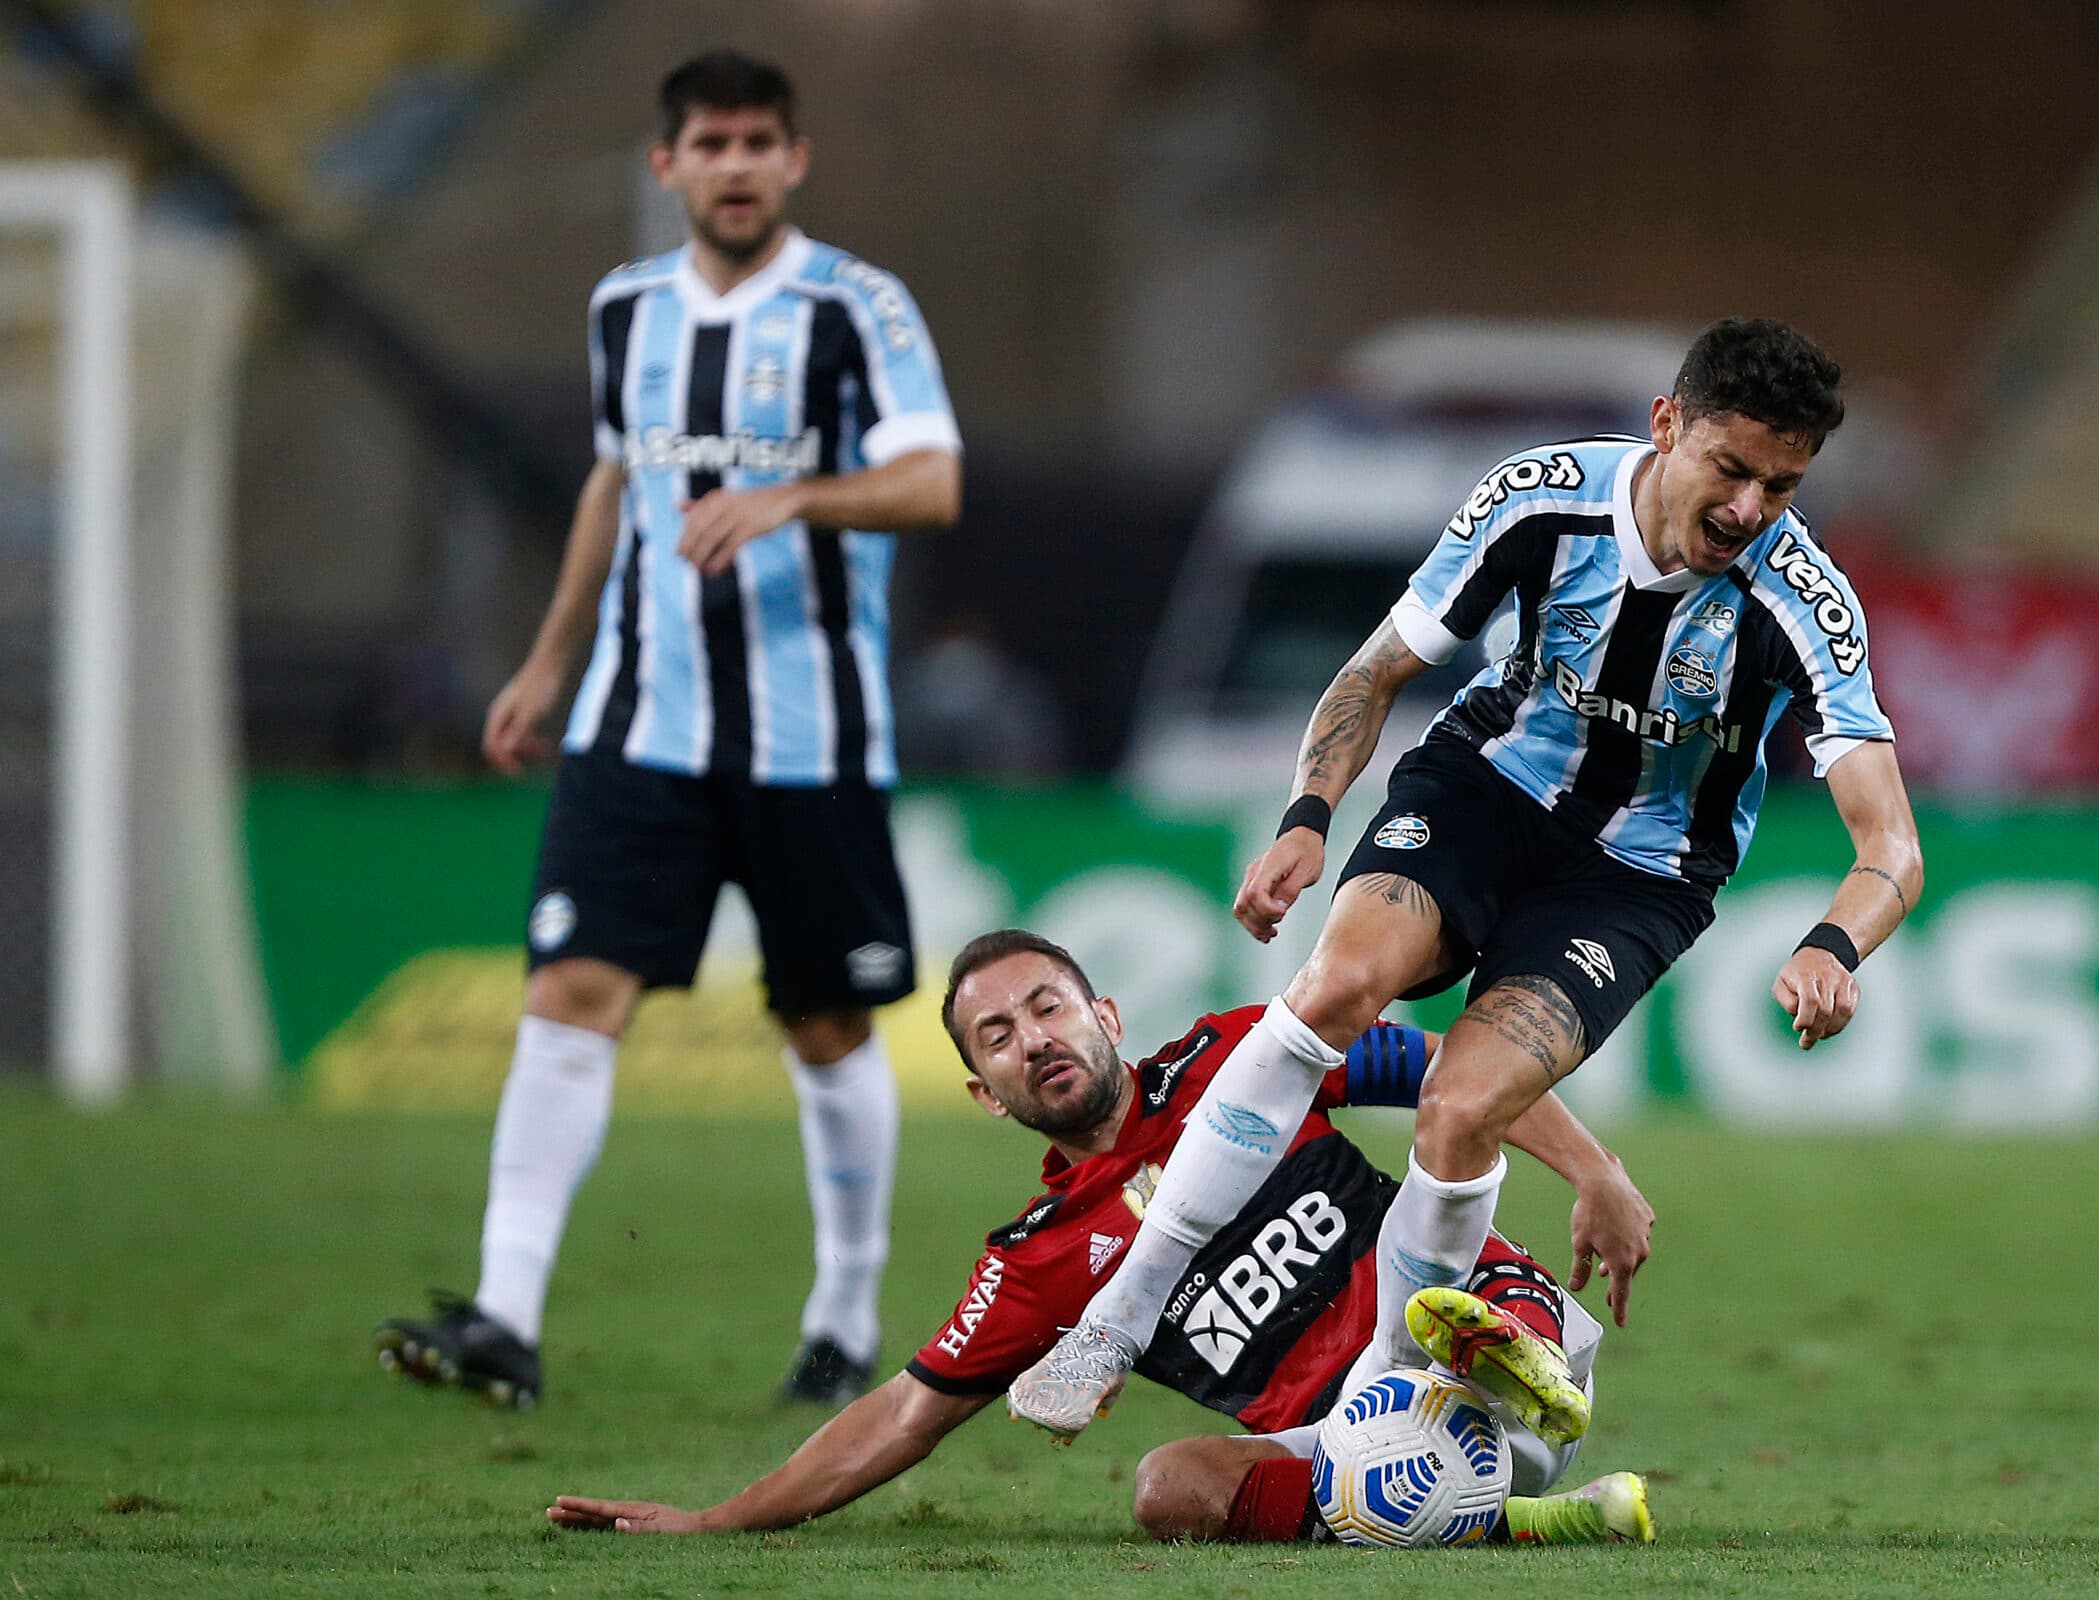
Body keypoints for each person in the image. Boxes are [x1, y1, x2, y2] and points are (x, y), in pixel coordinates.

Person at [1011, 318, 1924, 1441]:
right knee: (1338, 989)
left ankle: (1380, 1407)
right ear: (1667, 425)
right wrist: (1310, 815)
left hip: (1634, 880)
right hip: (1484, 793)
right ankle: (1121, 1312)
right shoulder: (1540, 499)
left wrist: (1834, 946)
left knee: (1458, 1110)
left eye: (1780, 487)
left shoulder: (1803, 603)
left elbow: (1892, 846)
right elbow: (1379, 666)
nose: (1748, 511)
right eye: (1731, 470)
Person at [374, 48, 963, 1409]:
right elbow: (614, 479)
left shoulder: (857, 306)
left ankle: (845, 1317)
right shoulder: (624, 308)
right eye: (713, 143)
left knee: (824, 1023)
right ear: (669, 166)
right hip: (637, 726)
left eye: (762, 140)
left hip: (810, 738)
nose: (738, 164)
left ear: (794, 159)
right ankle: (506, 1321)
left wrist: (792, 498)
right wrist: (547, 657)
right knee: (570, 997)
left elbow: (933, 481)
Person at [544, 930, 1657, 1546]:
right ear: (984, 1091)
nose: (1032, 1039)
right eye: (998, 1035)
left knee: (1438, 1256)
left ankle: (1512, 1350)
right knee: (1166, 1489)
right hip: (1367, 1452)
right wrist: (709, 1519)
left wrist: (1596, 1170)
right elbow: (902, 1413)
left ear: (1106, 1017)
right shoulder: (1036, 1255)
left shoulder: (1240, 1059)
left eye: (1046, 1006)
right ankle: (1518, 1522)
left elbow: (1448, 1068)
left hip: (1502, 1347)